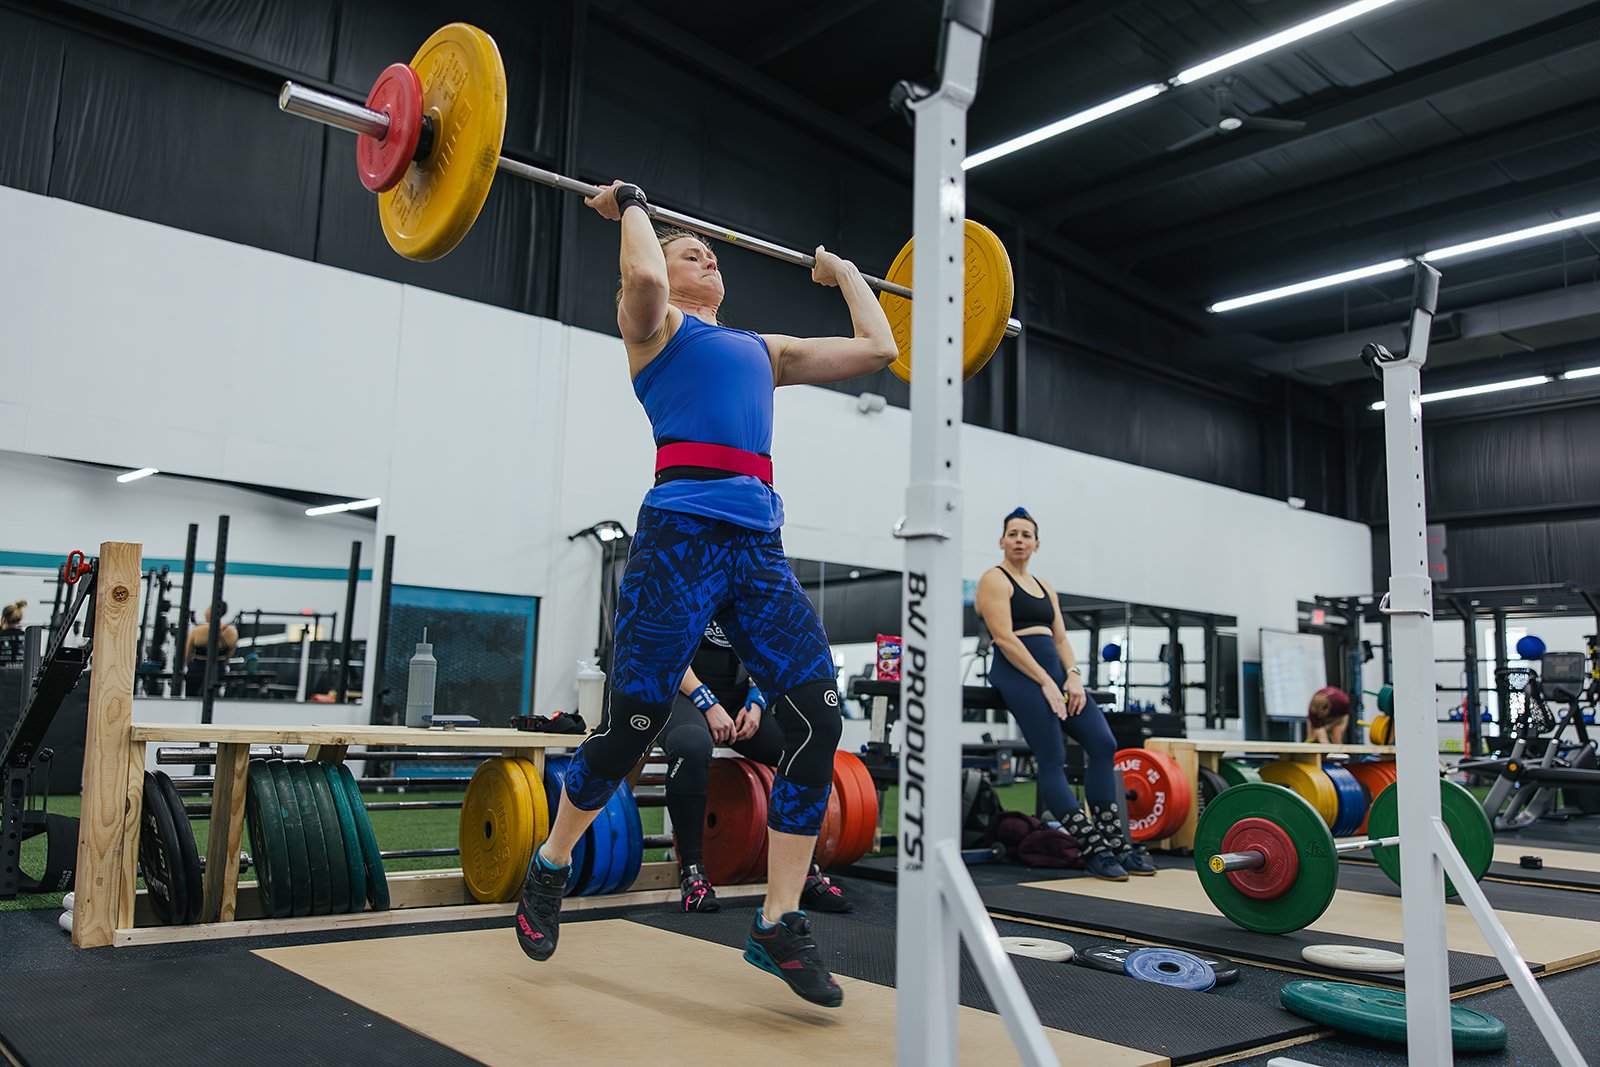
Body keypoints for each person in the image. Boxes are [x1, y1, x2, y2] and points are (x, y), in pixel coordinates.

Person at [515, 178, 898, 1008]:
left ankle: (778, 920)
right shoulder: (653, 328)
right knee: (632, 725)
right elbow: (643, 275)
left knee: (817, 717)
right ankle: (550, 863)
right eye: (694, 252)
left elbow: (879, 349)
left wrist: (843, 274)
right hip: (680, 534)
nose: (709, 259)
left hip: (757, 545)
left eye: (712, 253)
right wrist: (632, 206)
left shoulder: (765, 349)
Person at [975, 507, 1156, 881]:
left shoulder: (1045, 587)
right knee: (1052, 757)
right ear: (1002, 541)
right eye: (1013, 534)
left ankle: (1116, 843)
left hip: (1055, 674)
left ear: (1037, 544)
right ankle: (1093, 848)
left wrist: (1073, 677)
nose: (1019, 540)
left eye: (1026, 534)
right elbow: (1004, 638)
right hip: (1018, 673)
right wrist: (1045, 681)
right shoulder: (994, 579)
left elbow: (1060, 639)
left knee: (1103, 744)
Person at [664, 618, 851, 915]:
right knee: (691, 745)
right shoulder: (683, 590)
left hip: (737, 697)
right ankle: (692, 873)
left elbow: (764, 650)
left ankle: (803, 873)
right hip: (680, 690)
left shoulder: (753, 591)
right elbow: (667, 651)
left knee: (805, 744)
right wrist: (708, 703)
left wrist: (757, 699)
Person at [183, 602, 238, 696]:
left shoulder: (197, 630)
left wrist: (189, 665)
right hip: (219, 667)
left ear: (211, 611)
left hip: (197, 667)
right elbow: (230, 653)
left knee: (192, 694)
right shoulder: (231, 632)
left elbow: (187, 654)